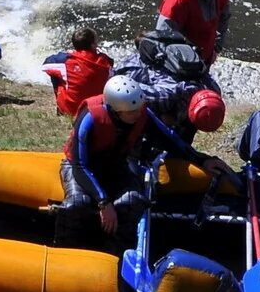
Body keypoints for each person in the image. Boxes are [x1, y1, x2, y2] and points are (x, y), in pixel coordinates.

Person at [60, 76, 196, 244]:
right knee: (77, 203)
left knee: (133, 200)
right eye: (132, 112)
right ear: (116, 111)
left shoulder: (140, 113)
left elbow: (169, 139)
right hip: (81, 168)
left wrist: (202, 160)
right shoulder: (89, 118)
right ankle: (67, 246)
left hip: (114, 166)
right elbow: (79, 165)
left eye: (138, 109)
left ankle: (116, 250)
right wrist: (104, 202)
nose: (138, 114)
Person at [55, 26, 113, 117]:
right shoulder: (106, 61)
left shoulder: (65, 60)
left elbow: (45, 66)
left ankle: (61, 110)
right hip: (96, 111)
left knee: (56, 74)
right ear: (93, 45)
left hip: (71, 111)